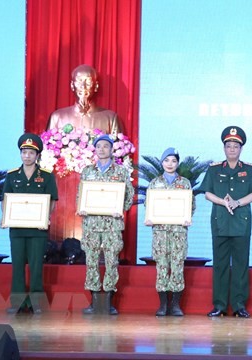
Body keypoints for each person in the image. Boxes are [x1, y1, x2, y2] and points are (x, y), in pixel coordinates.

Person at [198, 126, 252, 318]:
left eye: (236, 145)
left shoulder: (250, 170)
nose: (232, 149)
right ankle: (219, 305)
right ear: (224, 148)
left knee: (240, 265)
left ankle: (238, 305)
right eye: (229, 145)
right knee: (219, 264)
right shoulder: (214, 169)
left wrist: (237, 203)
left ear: (241, 148)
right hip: (220, 221)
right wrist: (222, 201)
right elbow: (207, 193)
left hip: (241, 221)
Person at [2, 133, 58, 314]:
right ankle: (17, 302)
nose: (27, 156)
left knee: (36, 266)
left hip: (37, 230)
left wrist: (45, 217)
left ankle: (36, 302)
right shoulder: (12, 176)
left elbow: (52, 200)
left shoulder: (47, 176)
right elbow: (6, 200)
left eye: (31, 153)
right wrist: (5, 217)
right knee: (17, 265)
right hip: (17, 229)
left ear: (37, 155)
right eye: (24, 152)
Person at [78, 134, 134, 315]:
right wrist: (82, 208)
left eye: (105, 146)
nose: (102, 149)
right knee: (91, 261)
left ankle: (108, 301)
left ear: (111, 150)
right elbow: (81, 195)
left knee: (111, 261)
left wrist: (121, 209)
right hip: (91, 223)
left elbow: (128, 195)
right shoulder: (87, 171)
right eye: (99, 146)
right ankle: (94, 301)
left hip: (112, 224)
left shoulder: (121, 172)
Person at [144, 148, 195, 316]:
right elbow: (148, 204)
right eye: (166, 161)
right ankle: (163, 305)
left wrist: (187, 217)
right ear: (162, 162)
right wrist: (150, 218)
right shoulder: (155, 183)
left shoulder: (185, 183)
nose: (170, 164)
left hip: (178, 231)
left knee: (177, 266)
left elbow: (191, 205)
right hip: (160, 231)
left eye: (173, 161)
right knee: (162, 266)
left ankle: (175, 305)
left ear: (178, 163)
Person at [47, 64, 122, 135]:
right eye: (79, 81)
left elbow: (117, 146)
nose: (83, 86)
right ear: (72, 85)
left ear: (96, 86)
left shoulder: (110, 118)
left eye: (88, 82)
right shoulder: (57, 117)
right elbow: (47, 146)